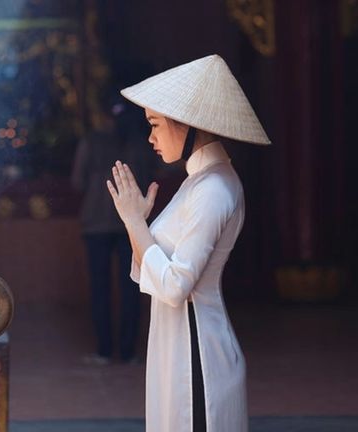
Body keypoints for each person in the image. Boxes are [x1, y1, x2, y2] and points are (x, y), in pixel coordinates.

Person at [105, 54, 270, 432]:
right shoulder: (199, 182)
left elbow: (175, 285)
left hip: (196, 357)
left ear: (186, 123)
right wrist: (137, 225)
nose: (150, 137)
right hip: (179, 342)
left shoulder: (212, 189)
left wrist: (134, 221)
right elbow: (151, 269)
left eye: (155, 124)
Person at [71, 108, 149, 364]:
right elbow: (151, 176)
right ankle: (128, 352)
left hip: (96, 222)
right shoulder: (139, 142)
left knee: (100, 289)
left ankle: (104, 350)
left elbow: (77, 181)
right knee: (132, 287)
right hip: (130, 224)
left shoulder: (91, 141)